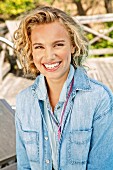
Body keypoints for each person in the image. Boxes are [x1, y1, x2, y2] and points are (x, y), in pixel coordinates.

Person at [14, 5, 113, 170]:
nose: (49, 56)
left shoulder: (99, 98)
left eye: (58, 45)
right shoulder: (23, 101)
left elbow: (102, 166)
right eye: (39, 47)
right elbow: (24, 166)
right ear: (31, 51)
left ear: (73, 46)